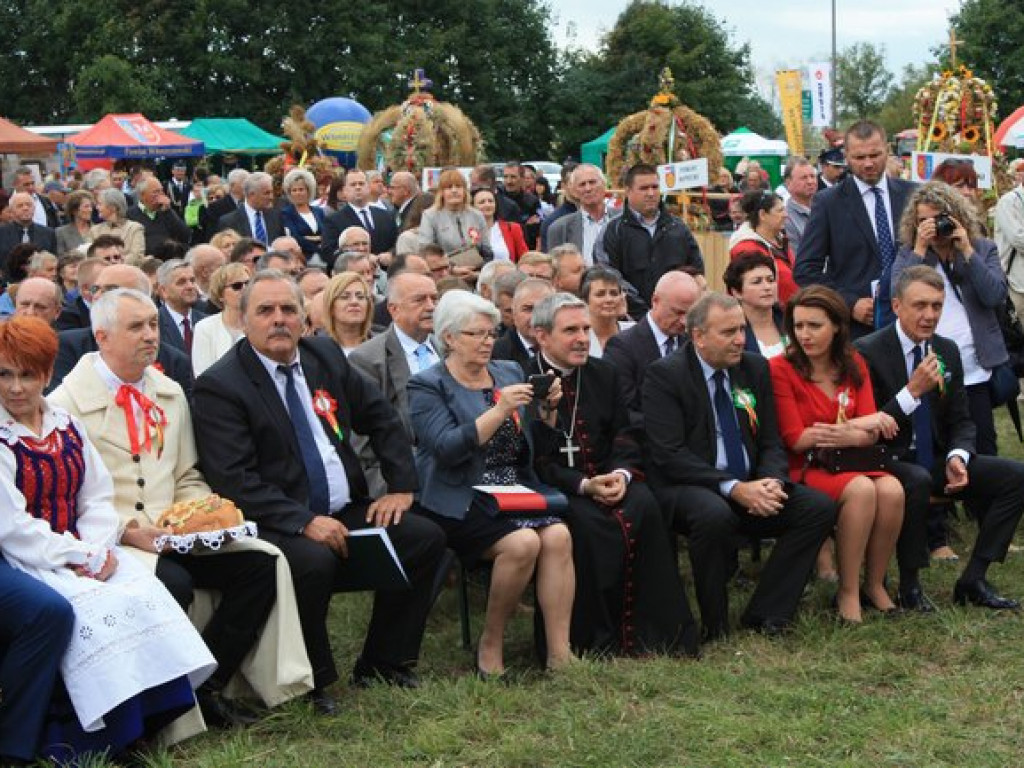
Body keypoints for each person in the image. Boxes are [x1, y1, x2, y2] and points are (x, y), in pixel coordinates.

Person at [192, 270, 446, 707]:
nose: (279, 319)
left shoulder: (322, 356)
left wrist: (401, 487)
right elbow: (234, 479)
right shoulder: (222, 385)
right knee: (313, 560)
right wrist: (304, 521)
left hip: (342, 507)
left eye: (288, 309)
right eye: (265, 310)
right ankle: (313, 681)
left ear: (304, 316)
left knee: (424, 539)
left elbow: (381, 417)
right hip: (276, 520)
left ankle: (385, 661)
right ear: (244, 320)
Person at [0, 316, 216, 759]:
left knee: (142, 593)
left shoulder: (66, 424)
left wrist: (98, 550)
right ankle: (75, 739)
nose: (16, 387)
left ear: (47, 374)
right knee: (79, 611)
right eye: (4, 375)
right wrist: (80, 555)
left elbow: (97, 497)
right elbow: (13, 527)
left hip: (80, 549)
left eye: (28, 374)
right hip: (24, 554)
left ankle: (140, 724)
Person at [643, 293, 836, 640]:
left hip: (750, 483)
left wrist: (772, 480)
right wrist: (733, 487)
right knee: (714, 514)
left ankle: (768, 611)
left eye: (742, 329)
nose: (740, 340)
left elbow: (771, 440)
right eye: (728, 332)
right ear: (699, 336)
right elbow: (669, 454)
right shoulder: (666, 375)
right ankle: (715, 624)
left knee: (817, 508)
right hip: (690, 486)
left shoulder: (754, 368)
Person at [406, 290, 573, 675]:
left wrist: (547, 409)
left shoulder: (509, 371)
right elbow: (447, 449)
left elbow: (535, 441)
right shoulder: (427, 385)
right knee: (523, 542)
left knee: (558, 536)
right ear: (449, 338)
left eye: (491, 333)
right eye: (476, 334)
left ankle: (559, 652)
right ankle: (491, 642)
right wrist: (499, 410)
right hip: (459, 493)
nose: (487, 342)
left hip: (514, 486)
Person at [530, 292, 699, 656]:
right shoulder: (526, 379)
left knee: (645, 506)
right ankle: (593, 641)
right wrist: (583, 484)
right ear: (542, 336)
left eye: (585, 329)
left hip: (610, 476)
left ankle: (657, 636)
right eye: (570, 330)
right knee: (588, 526)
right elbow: (534, 457)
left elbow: (625, 433)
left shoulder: (603, 373)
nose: (582, 338)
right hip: (559, 488)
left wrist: (621, 473)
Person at [856, 265, 1024, 611]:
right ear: (897, 306)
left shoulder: (946, 350)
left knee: (1016, 477)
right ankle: (910, 585)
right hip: (886, 460)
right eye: (920, 305)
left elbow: (962, 420)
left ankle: (974, 578)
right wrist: (912, 391)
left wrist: (957, 456)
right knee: (916, 480)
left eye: (937, 306)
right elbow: (868, 427)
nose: (930, 315)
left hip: (934, 458)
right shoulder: (868, 350)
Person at [769, 286, 904, 622]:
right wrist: (854, 428)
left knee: (892, 490)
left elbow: (871, 434)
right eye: (798, 326)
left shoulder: (854, 362)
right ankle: (847, 591)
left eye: (814, 325)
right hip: (805, 467)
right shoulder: (781, 368)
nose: (805, 334)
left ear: (836, 327)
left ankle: (874, 584)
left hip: (851, 460)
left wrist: (851, 430)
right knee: (861, 489)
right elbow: (796, 439)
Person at [891, 181, 1008, 458]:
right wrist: (920, 249)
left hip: (975, 369)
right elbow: (896, 295)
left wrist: (967, 251)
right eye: (923, 221)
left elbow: (995, 295)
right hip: (931, 369)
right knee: (937, 448)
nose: (932, 226)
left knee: (983, 448)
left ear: (956, 216)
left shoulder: (982, 248)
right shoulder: (910, 253)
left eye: (938, 218)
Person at [795, 121, 916, 336]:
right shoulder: (828, 203)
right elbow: (806, 270)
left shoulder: (912, 195)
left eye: (875, 155)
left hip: (911, 321)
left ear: (887, 150)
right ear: (846, 156)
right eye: (859, 157)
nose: (868, 164)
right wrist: (849, 303)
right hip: (858, 331)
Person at [349, 271, 440, 496]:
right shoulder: (367, 360)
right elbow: (364, 443)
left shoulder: (451, 348)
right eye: (420, 300)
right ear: (394, 309)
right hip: (400, 478)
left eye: (434, 298)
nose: (431, 306)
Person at [595, 163, 703, 309]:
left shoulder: (678, 228)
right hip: (630, 316)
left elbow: (696, 271)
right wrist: (643, 312)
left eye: (655, 187)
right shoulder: (613, 230)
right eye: (644, 188)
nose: (651, 193)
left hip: (675, 314)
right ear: (628, 191)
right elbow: (608, 276)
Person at [604, 270, 701, 425]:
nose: (684, 321)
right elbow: (624, 410)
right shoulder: (622, 347)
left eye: (690, 314)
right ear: (655, 301)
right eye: (678, 312)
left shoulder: (692, 343)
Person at [730, 190, 798, 306]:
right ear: (762, 215)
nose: (786, 215)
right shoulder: (747, 249)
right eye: (780, 210)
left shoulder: (780, 241)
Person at [419, 169, 488, 274]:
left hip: (477, 273)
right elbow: (426, 252)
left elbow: (487, 251)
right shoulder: (430, 216)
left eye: (458, 186)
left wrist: (476, 274)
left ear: (465, 190)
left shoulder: (477, 215)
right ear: (441, 192)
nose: (454, 190)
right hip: (445, 274)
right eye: (449, 187)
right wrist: (452, 269)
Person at [322, 169, 398, 263]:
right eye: (353, 184)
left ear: (368, 188)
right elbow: (329, 252)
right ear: (345, 191)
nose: (358, 187)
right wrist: (361, 257)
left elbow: (396, 243)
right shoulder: (333, 220)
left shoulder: (386, 215)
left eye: (361, 184)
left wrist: (390, 254)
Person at [547, 164, 616, 266]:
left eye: (592, 182)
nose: (588, 188)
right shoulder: (560, 228)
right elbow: (555, 269)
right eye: (582, 184)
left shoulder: (623, 220)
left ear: (604, 185)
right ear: (574, 192)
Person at [724, 253, 787, 358]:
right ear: (737, 292)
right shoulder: (731, 330)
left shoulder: (789, 321)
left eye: (771, 280)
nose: (767, 287)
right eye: (757, 282)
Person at [191, 262, 249, 375]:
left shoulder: (261, 323)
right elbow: (202, 374)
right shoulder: (204, 328)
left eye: (248, 283)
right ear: (221, 295)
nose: (245, 289)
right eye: (237, 286)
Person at [491, 278, 555, 373]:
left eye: (543, 309)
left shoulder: (565, 349)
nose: (535, 317)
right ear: (514, 312)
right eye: (528, 309)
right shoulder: (495, 354)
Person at [126, 176, 192, 256]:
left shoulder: (166, 212)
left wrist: (168, 211)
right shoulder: (130, 215)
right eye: (156, 192)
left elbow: (186, 236)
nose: (161, 195)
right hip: (146, 259)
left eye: (161, 191)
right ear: (142, 195)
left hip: (170, 258)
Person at [216, 172, 284, 246]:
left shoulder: (277, 216)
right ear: (251, 195)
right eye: (266, 193)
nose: (271, 197)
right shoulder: (229, 221)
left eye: (271, 192)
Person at [156, 258, 208, 356]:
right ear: (163, 291)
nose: (190, 286)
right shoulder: (156, 324)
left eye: (192, 281)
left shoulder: (207, 321)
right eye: (181, 282)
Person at [581, 265, 634, 358]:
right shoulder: (579, 336)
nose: (609, 299)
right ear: (585, 301)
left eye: (614, 293)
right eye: (600, 294)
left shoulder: (634, 332)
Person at [280, 168, 327, 263]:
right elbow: (295, 237)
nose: (298, 193)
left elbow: (326, 234)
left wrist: (310, 238)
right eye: (294, 190)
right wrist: (317, 243)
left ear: (308, 191)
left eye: (301, 189)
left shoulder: (319, 211)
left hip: (323, 258)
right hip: (302, 260)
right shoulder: (286, 213)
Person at [322, 271, 374, 355]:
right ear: (331, 306)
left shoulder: (383, 345)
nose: (354, 302)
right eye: (345, 297)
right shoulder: (315, 349)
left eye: (360, 297)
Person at [472, 186, 527, 263]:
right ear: (473, 207)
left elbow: (525, 258)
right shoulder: (467, 231)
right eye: (482, 202)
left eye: (490, 201)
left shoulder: (513, 228)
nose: (487, 205)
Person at [91, 188, 146, 263]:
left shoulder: (135, 228)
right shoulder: (94, 230)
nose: (97, 207)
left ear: (113, 207)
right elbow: (91, 257)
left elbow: (136, 256)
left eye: (100, 204)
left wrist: (115, 264)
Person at [0, 192, 57, 263]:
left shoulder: (48, 233)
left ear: (34, 208)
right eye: (20, 206)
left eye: (29, 205)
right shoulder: (2, 233)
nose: (25, 208)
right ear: (11, 210)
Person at [784, 157, 818, 254]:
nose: (810, 181)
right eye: (804, 178)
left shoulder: (825, 209)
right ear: (788, 183)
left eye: (812, 176)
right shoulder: (786, 219)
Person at [55, 190, 96, 254]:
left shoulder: (98, 229)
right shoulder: (61, 232)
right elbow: (60, 256)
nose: (90, 209)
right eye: (86, 206)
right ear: (74, 210)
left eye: (91, 206)